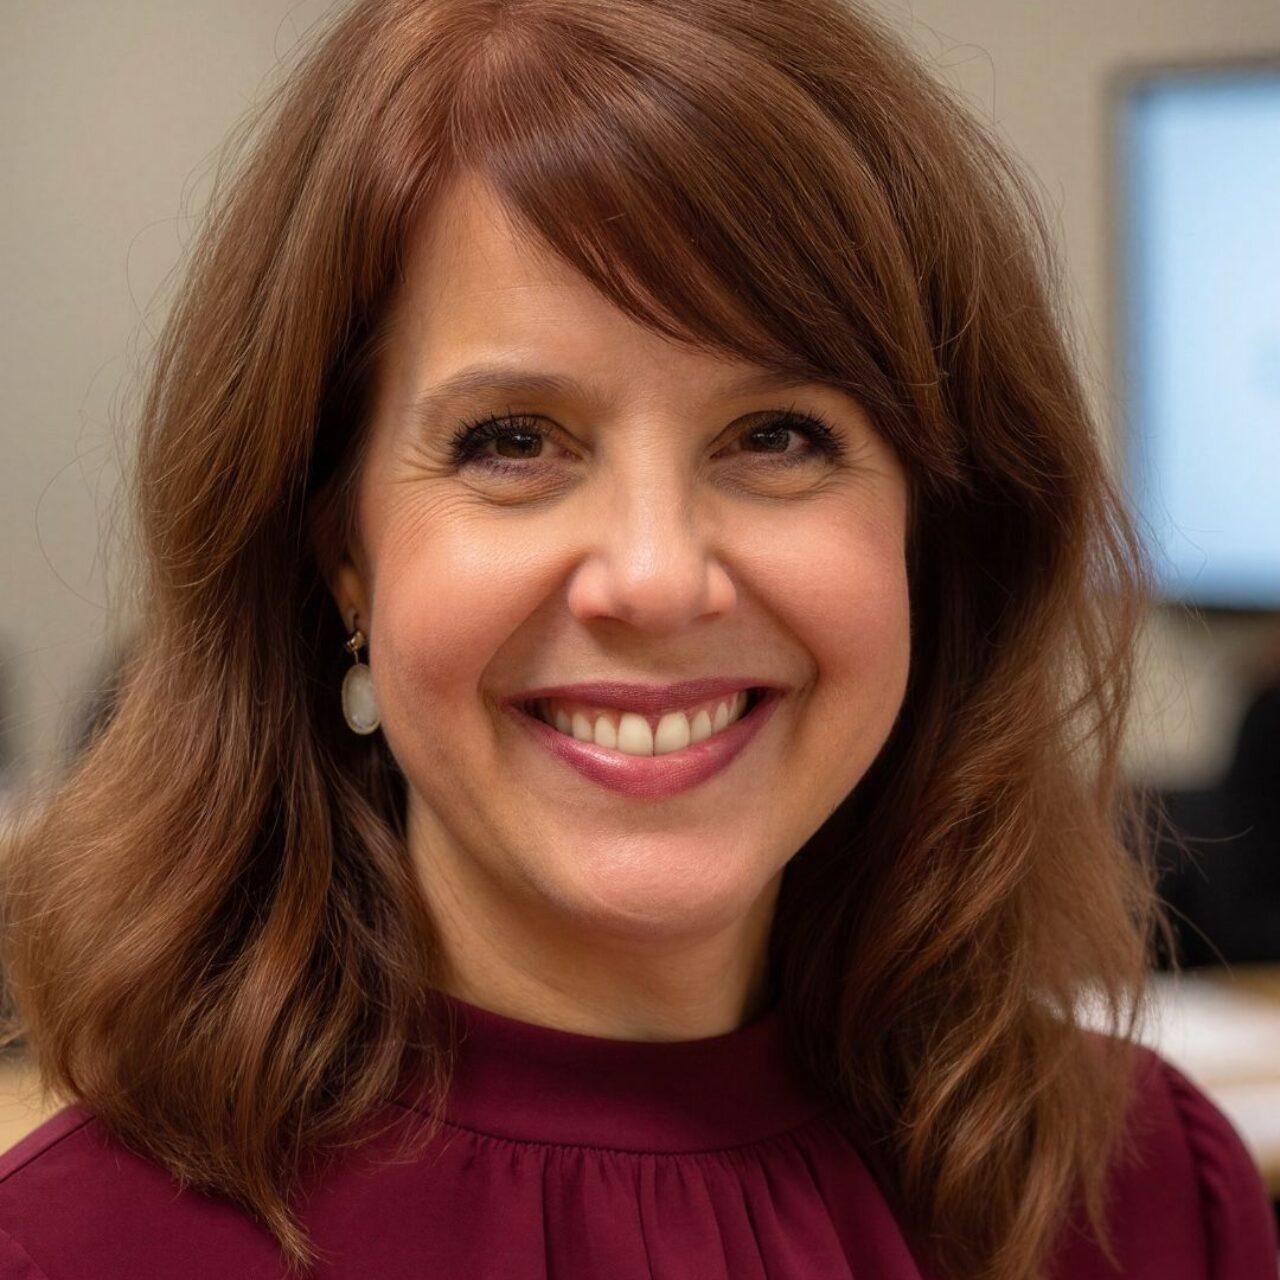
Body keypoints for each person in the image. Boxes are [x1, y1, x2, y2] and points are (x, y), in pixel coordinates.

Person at [0, 1, 1274, 1277]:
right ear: (339, 548)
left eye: (777, 434)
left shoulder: (1154, 1196)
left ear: (931, 532)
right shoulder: (72, 1248)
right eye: (512, 440)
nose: (657, 579)